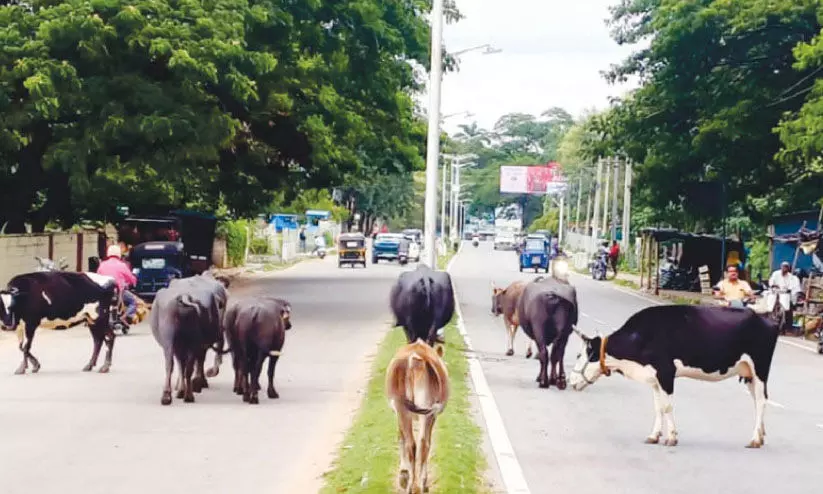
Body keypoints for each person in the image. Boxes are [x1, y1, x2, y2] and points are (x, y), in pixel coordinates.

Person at [96, 245, 138, 325]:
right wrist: (133, 281)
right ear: (119, 254)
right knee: (133, 301)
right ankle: (125, 316)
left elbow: (98, 277)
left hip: (104, 292)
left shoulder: (102, 265)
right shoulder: (122, 265)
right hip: (119, 292)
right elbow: (131, 278)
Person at [768, 261, 802, 331]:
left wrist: (789, 289)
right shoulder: (776, 273)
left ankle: (787, 327)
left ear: (788, 268)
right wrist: (773, 285)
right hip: (775, 292)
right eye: (783, 267)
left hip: (785, 294)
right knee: (769, 304)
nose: (784, 269)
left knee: (788, 309)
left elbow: (792, 287)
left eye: (786, 267)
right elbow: (771, 281)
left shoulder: (791, 277)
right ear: (781, 267)